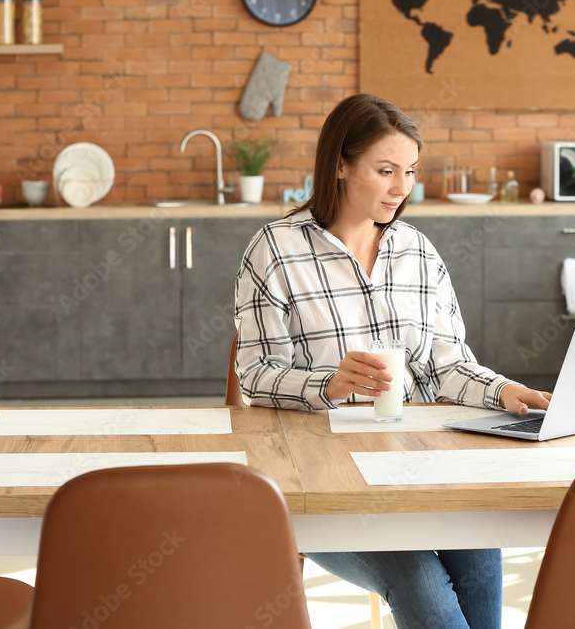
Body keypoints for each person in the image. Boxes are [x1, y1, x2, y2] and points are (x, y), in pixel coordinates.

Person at [233, 94, 551, 629]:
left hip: (420, 466)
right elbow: (255, 373)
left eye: (408, 171)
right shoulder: (276, 249)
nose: (401, 188)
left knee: (481, 553)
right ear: (340, 164)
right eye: (385, 171)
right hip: (323, 481)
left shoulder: (418, 252)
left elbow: (448, 365)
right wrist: (327, 385)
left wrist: (502, 391)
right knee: (421, 584)